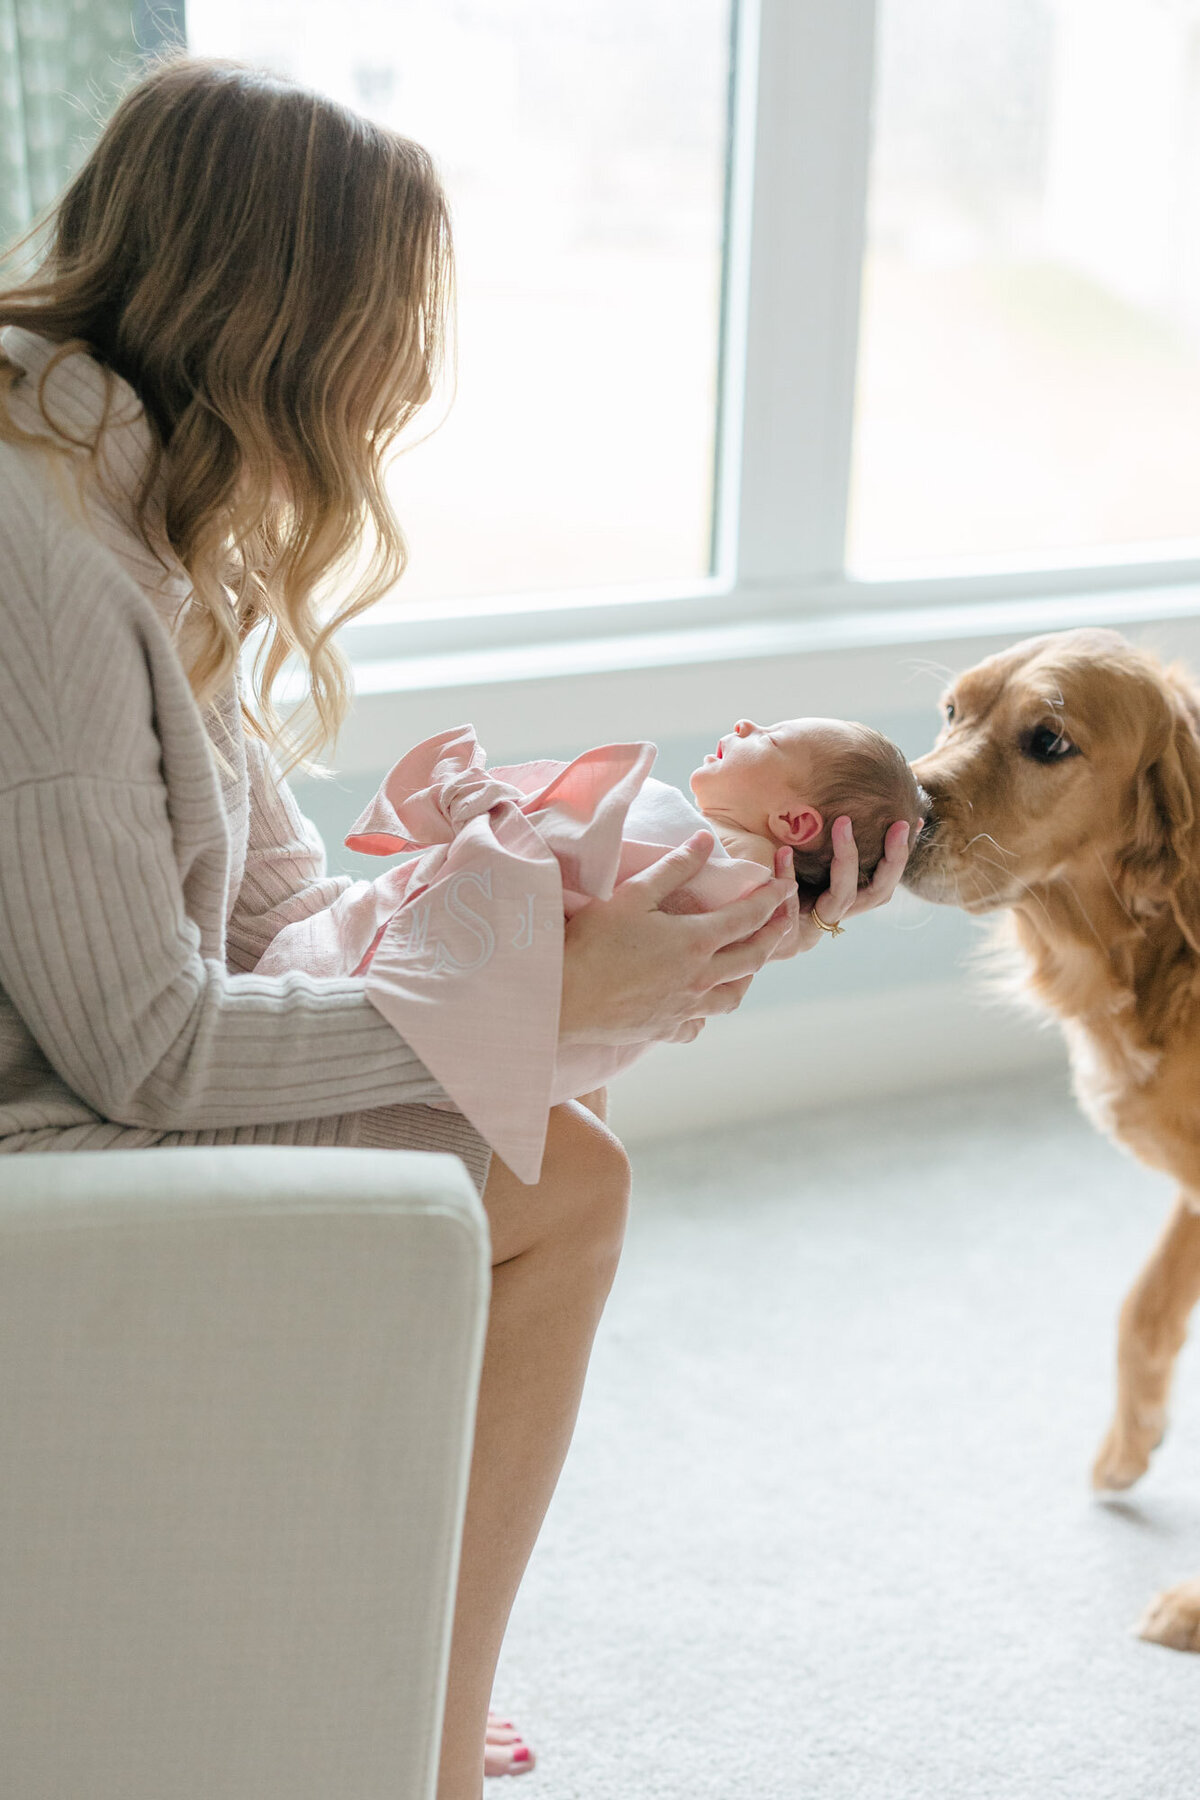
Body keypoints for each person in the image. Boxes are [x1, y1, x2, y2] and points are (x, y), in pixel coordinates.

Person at [0, 56, 912, 1797]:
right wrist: (543, 999)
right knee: (569, 1184)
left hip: (102, 1048)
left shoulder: (122, 491)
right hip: (46, 1108)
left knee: (549, 1123)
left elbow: (280, 911)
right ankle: (430, 1751)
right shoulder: (34, 556)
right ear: (283, 302)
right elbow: (151, 1043)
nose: (410, 374)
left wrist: (641, 952)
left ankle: (387, 1660)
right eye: (393, 318)